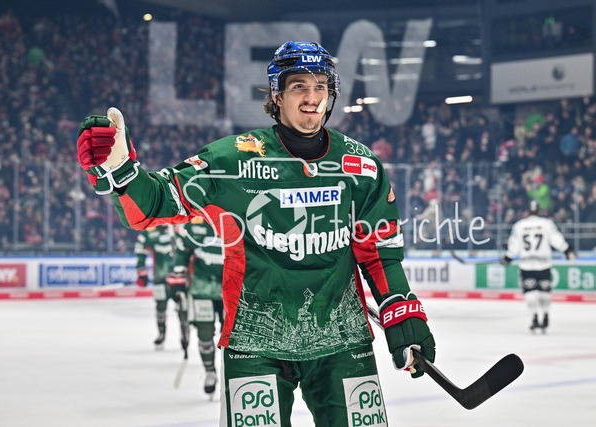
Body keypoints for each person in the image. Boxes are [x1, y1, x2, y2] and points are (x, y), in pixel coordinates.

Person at [77, 41, 435, 425]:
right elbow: (156, 205)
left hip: (343, 342)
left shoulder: (361, 167)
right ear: (276, 95)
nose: (312, 97)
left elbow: (379, 252)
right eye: (299, 86)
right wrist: (122, 171)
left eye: (321, 86)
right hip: (254, 344)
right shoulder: (234, 160)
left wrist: (403, 314)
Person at [167, 216, 224, 397]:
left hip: (232, 288)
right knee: (205, 333)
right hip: (202, 288)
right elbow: (182, 250)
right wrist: (178, 278)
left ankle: (233, 374)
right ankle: (210, 371)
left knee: (234, 337)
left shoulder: (237, 216)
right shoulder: (196, 223)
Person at [500, 200, 576, 333]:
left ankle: (535, 317)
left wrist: (508, 257)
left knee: (530, 293)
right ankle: (545, 315)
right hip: (544, 264)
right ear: (538, 211)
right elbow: (556, 239)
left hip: (527, 265)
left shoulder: (519, 225)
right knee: (544, 292)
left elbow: (514, 245)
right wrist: (567, 250)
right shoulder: (546, 224)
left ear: (527, 212)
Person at [134, 224, 187, 349]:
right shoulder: (150, 232)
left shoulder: (180, 230)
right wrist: (142, 272)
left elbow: (190, 250)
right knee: (160, 308)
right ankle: (161, 334)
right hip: (160, 278)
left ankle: (185, 335)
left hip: (178, 279)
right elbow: (140, 248)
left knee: (182, 309)